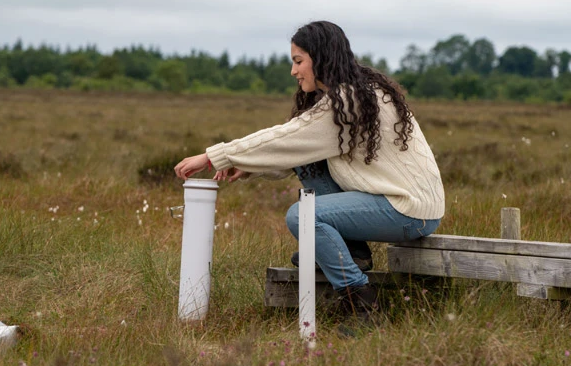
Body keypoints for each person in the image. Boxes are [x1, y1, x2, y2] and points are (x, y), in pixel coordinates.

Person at [174, 21, 444, 320]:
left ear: (322, 58)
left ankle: (361, 303)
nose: (294, 71)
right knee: (308, 160)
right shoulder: (358, 93)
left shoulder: (349, 101)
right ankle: (352, 253)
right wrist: (248, 166)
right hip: (399, 201)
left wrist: (215, 156)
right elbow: (297, 148)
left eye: (298, 61)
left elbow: (285, 137)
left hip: (409, 210)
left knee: (303, 215)